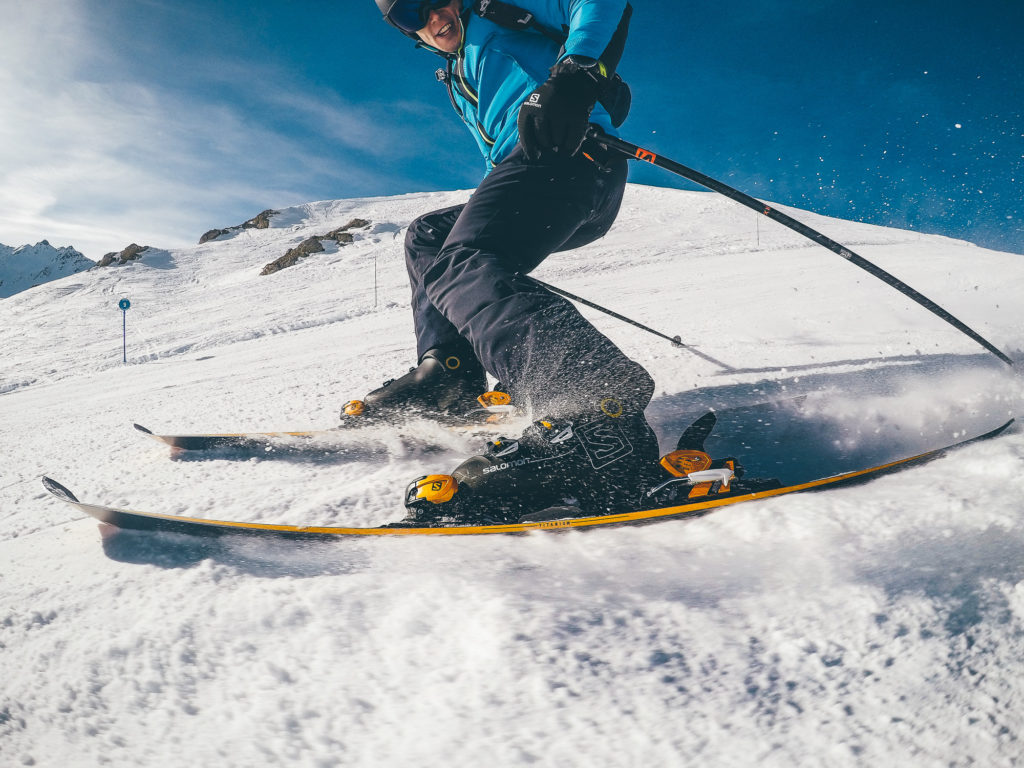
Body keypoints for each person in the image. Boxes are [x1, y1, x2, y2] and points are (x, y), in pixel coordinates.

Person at [362, 0, 660, 523]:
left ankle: (590, 405)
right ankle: (449, 375)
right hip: (533, 171)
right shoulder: (457, 75)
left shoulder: (496, 10)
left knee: (461, 259)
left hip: (571, 154)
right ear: (408, 32)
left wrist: (574, 73)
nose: (433, 16)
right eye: (412, 14)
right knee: (430, 237)